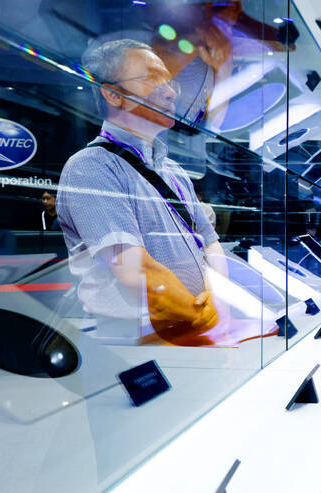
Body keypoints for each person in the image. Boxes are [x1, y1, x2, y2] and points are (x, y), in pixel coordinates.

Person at [57, 39, 225, 341]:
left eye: (169, 80)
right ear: (113, 93)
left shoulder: (174, 172)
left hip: (196, 326)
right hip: (135, 339)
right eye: (151, 77)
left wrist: (216, 296)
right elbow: (135, 270)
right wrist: (203, 316)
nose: (170, 91)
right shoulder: (91, 167)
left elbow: (209, 243)